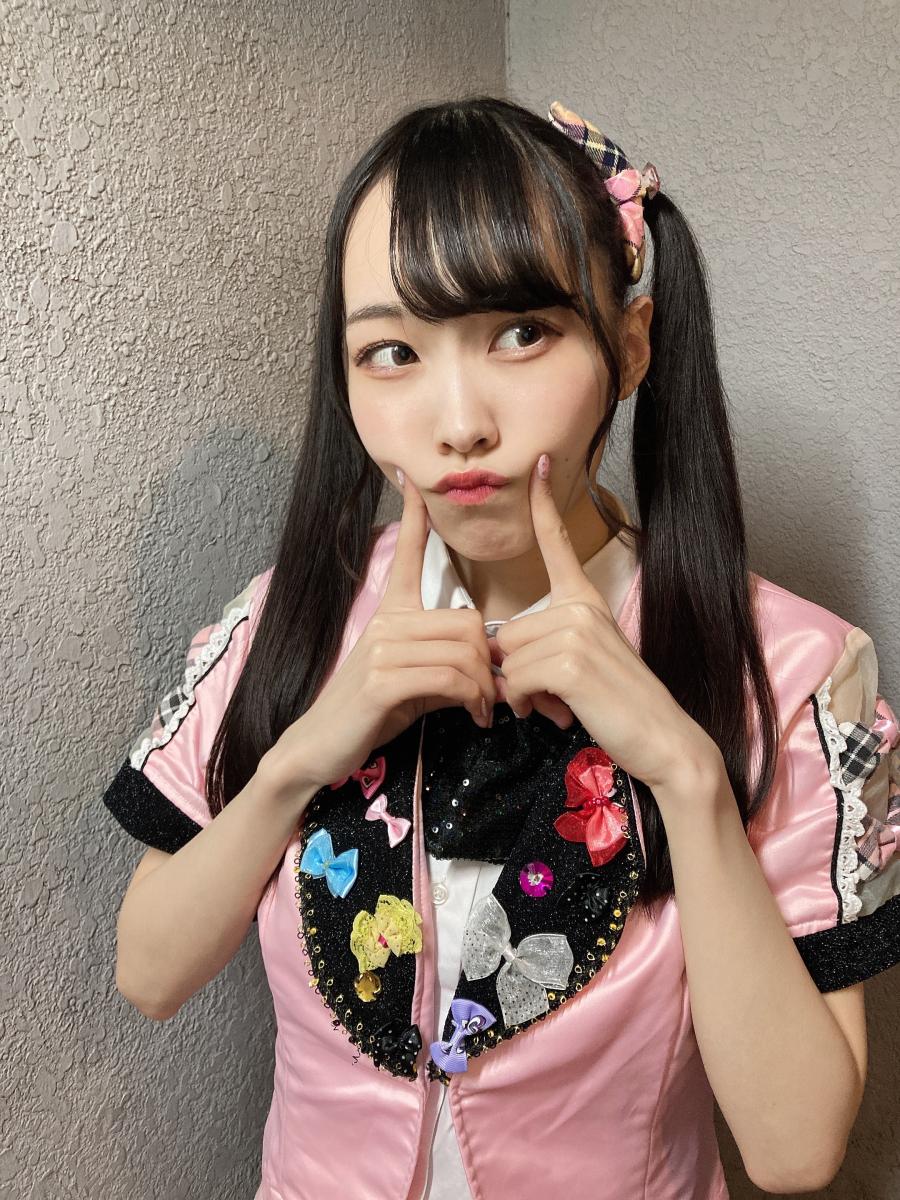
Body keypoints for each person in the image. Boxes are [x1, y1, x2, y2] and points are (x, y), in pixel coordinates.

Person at [102, 95, 900, 1200]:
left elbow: (796, 1150)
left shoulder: (795, 668)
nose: (458, 420)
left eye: (522, 333)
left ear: (629, 345)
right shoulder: (289, 617)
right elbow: (148, 975)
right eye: (391, 351)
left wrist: (686, 775)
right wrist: (301, 757)